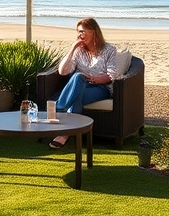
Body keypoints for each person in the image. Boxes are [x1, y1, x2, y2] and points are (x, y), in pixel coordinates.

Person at [48, 17, 118, 149]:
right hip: (80, 86)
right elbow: (62, 71)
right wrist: (72, 49)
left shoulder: (109, 50)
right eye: (78, 32)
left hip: (100, 88)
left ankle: (58, 109)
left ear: (94, 32)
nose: (79, 35)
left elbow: (111, 76)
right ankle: (65, 135)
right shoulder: (79, 50)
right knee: (77, 84)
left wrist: (91, 77)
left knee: (79, 76)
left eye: (83, 32)